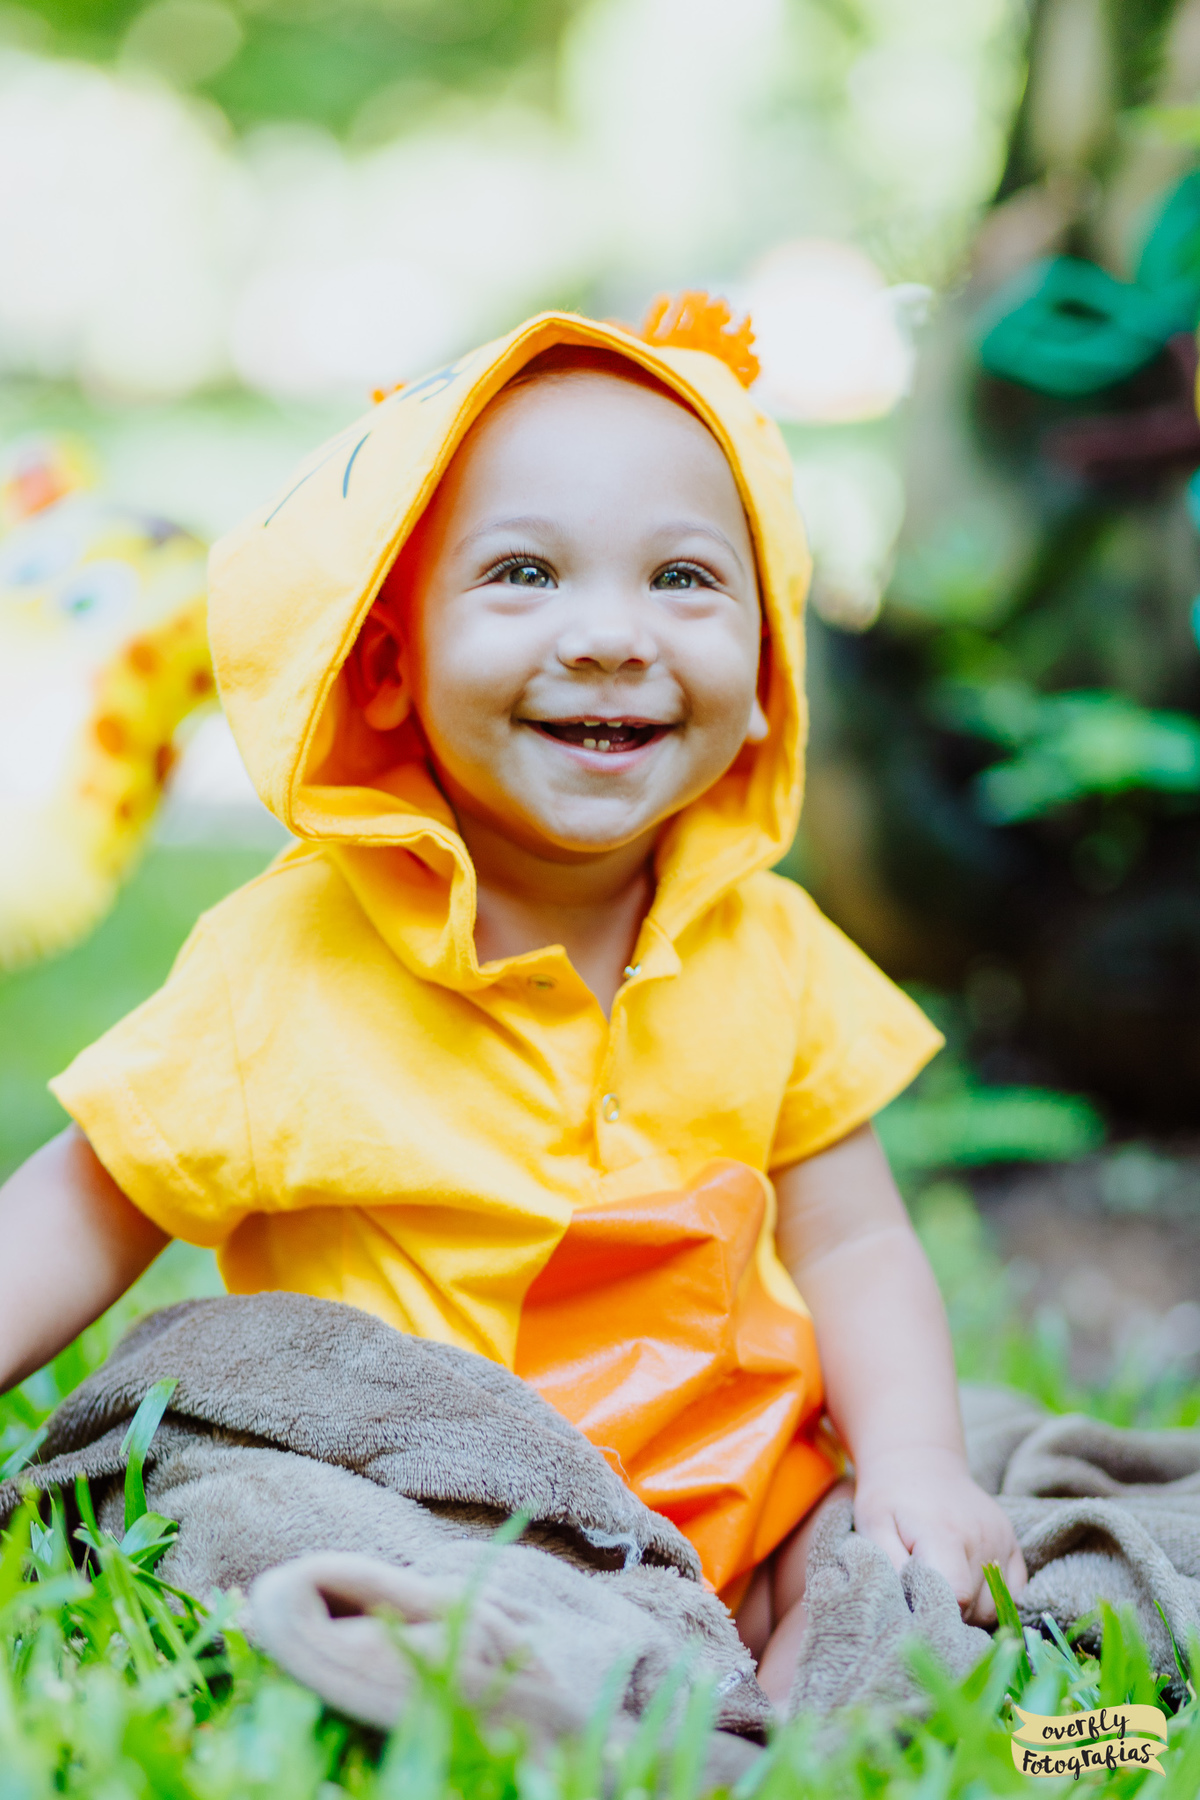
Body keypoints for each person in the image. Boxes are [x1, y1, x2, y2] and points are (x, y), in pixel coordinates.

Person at [0, 298, 1026, 1701]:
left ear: (768, 670)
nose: (610, 636)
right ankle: (598, 1689)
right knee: (254, 1510)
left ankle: (779, 1726)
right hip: (442, 1510)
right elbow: (85, 1204)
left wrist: (916, 1466)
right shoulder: (292, 964)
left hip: (744, 1500)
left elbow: (853, 1243)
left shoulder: (773, 948)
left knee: (897, 1582)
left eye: (683, 578)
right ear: (390, 662)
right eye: (525, 573)